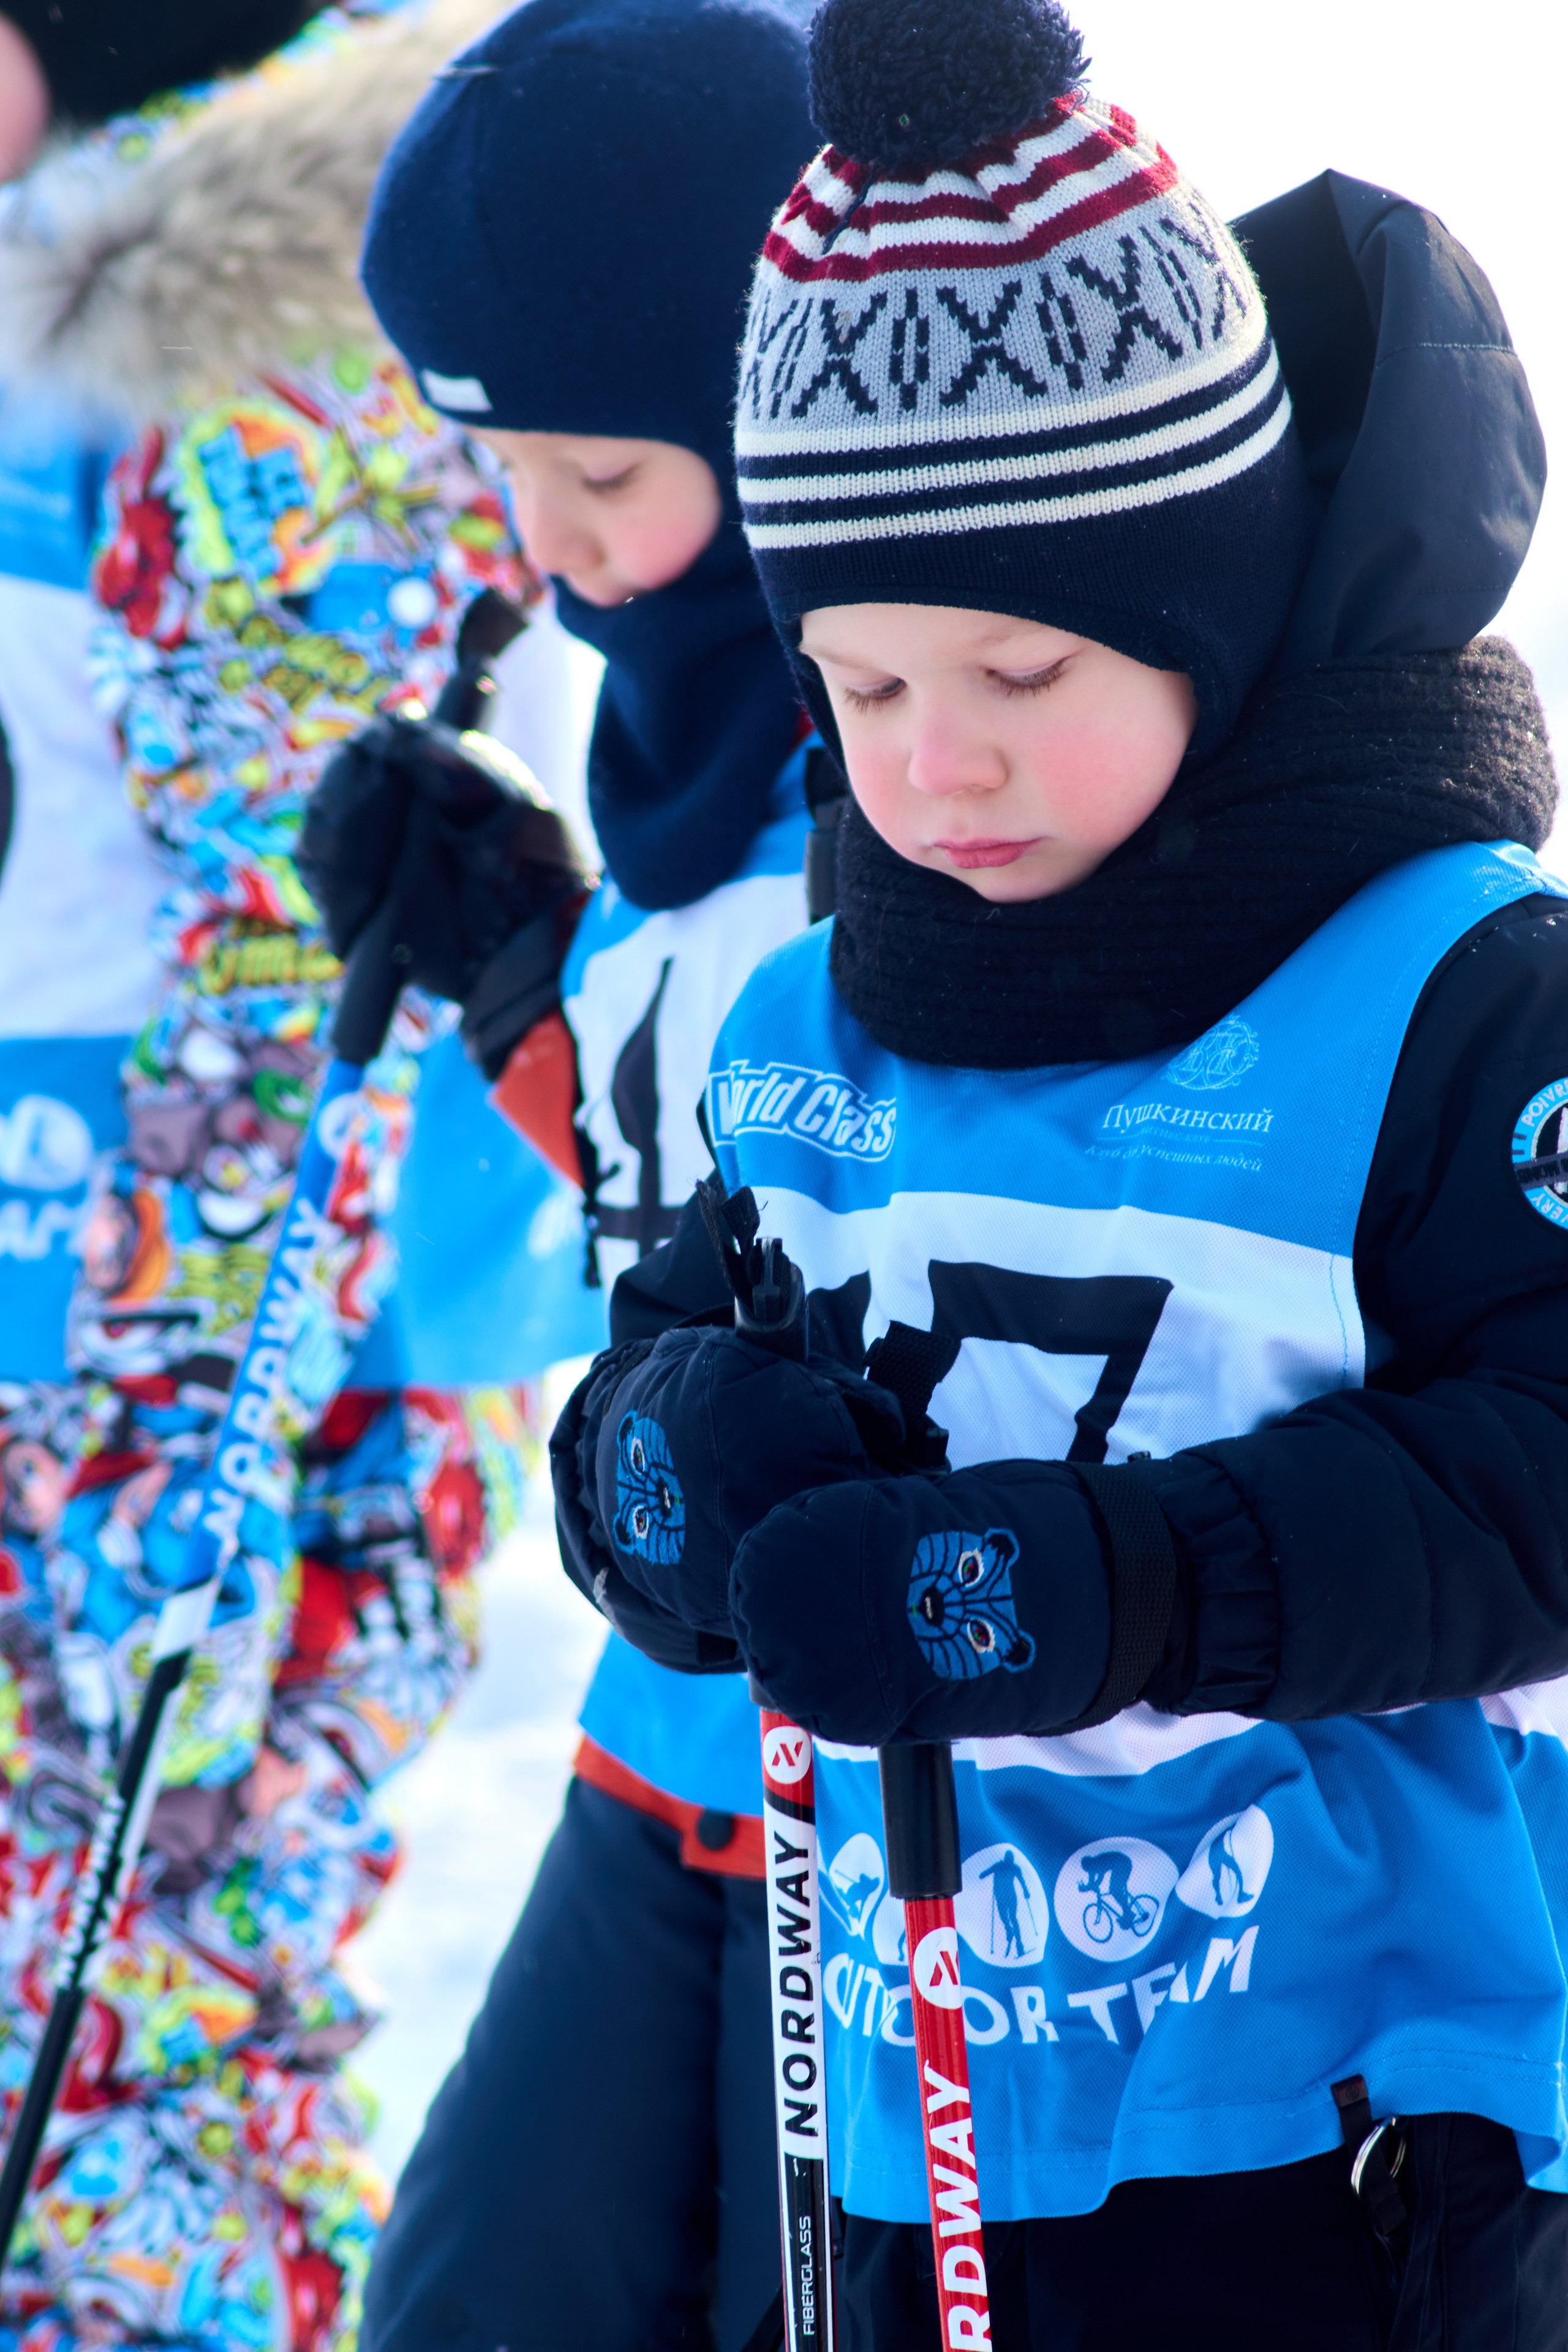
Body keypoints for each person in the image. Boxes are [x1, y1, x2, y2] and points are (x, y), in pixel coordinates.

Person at [551, 0, 1568, 2342]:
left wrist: (1127, 1586)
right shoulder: (819, 1015)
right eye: (870, 686)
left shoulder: (1457, 992)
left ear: (1206, 610)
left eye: (1023, 670)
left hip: (1357, 2125)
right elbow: (638, 1386)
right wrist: (670, 1478)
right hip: (933, 2101)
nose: (939, 771)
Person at [0, 6, 590, 2345]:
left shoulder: (273, 302)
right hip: (118, 1313)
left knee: (148, 2028)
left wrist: (190, 1511)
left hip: (188, 1353)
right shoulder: (93, 258)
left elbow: (303, 959)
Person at [296, 5, 822, 2346]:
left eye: (607, 470)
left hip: (902, 1781)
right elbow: (671, 1172)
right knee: (479, 2293)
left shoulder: (937, 725)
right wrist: (524, 962)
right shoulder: (681, 726)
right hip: (663, 1734)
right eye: (507, 471)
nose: (559, 549)